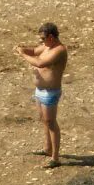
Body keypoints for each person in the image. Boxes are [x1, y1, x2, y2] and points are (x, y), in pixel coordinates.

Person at [17, 23, 68, 168]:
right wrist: (22, 49)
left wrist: (22, 55)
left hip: (50, 92)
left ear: (51, 37)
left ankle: (55, 158)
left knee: (51, 122)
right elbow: (33, 51)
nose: (41, 41)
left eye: (43, 38)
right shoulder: (46, 46)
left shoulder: (59, 50)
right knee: (44, 120)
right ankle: (47, 148)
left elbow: (40, 63)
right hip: (40, 90)